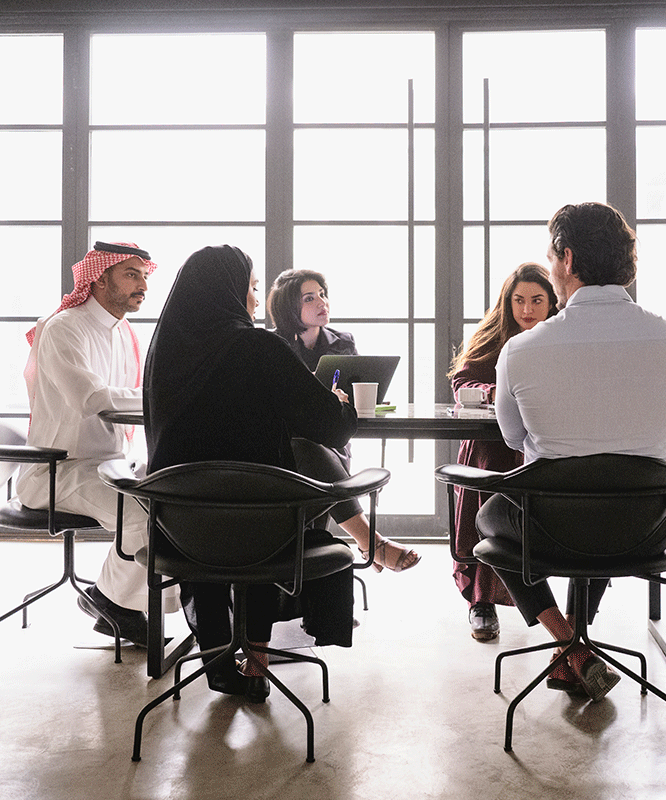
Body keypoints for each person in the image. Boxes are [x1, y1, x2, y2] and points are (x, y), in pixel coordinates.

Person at [143, 245, 359, 702]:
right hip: (261, 531)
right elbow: (328, 426)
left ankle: (219, 661)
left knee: (232, 505)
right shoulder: (259, 347)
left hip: (179, 530)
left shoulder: (163, 352)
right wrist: (342, 403)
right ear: (228, 291)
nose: (257, 299)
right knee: (266, 498)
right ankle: (257, 662)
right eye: (252, 287)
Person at [478, 201, 666, 701]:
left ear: (566, 258)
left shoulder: (520, 350)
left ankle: (568, 644)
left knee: (491, 514)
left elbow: (513, 439)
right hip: (648, 528)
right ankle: (574, 647)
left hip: (552, 528)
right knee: (607, 499)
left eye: (551, 256)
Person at [16, 242, 179, 646]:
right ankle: (114, 604)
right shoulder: (64, 327)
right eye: (131, 275)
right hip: (57, 469)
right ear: (100, 278)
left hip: (108, 465)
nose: (143, 285)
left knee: (173, 496)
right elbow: (89, 398)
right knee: (142, 514)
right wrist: (158, 397)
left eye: (145, 276)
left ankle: (111, 599)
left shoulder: (123, 332)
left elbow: (125, 399)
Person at [267, 268, 420, 573]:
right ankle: (370, 543)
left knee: (324, 460)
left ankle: (347, 561)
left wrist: (350, 402)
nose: (321, 302)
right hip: (287, 447)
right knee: (312, 457)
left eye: (322, 294)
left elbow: (356, 399)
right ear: (289, 306)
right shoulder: (272, 345)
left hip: (333, 441)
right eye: (309, 298)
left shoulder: (343, 342)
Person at [448, 263, 558, 641]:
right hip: (492, 442)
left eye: (537, 300)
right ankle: (482, 600)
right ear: (507, 302)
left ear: (552, 301)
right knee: (489, 462)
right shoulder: (493, 336)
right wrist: (495, 391)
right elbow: (462, 382)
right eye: (519, 300)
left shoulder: (561, 336)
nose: (527, 309)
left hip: (546, 440)